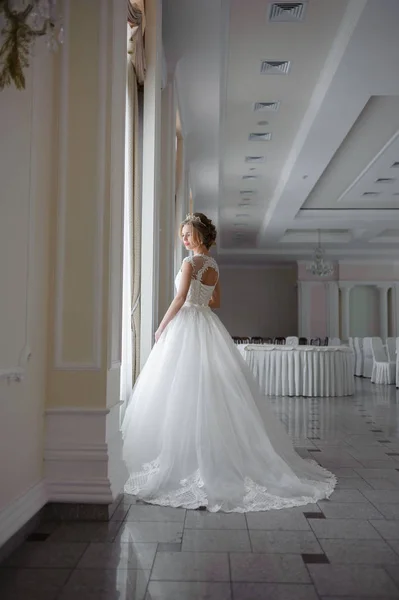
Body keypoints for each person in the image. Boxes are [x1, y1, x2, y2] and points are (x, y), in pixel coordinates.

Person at [122, 213, 336, 512]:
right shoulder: (212, 265)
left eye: (188, 234)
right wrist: (199, 299)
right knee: (209, 389)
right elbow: (216, 302)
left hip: (186, 324)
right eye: (182, 234)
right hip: (207, 324)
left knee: (180, 387)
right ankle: (210, 452)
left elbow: (180, 297)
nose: (184, 238)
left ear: (200, 235)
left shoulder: (189, 263)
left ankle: (184, 457)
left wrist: (161, 326)